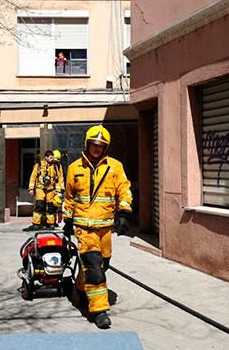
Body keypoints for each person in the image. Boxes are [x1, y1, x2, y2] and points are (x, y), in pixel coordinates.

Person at [63, 125, 132, 329]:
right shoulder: (74, 168)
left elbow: (124, 190)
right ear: (87, 144)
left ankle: (81, 288)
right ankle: (99, 311)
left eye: (101, 146)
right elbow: (70, 198)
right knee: (94, 269)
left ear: (106, 148)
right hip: (83, 228)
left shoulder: (115, 167)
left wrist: (124, 213)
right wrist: (67, 221)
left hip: (105, 228)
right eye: (93, 145)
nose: (96, 149)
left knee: (103, 265)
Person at [23, 150, 63, 231]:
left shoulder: (56, 167)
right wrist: (31, 188)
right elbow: (33, 177)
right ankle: (36, 223)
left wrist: (59, 191)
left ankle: (50, 223)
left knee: (51, 207)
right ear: (46, 157)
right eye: (51, 158)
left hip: (51, 190)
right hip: (40, 188)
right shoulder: (39, 166)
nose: (52, 159)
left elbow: (59, 179)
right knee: (39, 205)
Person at [51, 149, 65, 224]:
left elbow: (61, 177)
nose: (57, 161)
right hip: (51, 190)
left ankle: (59, 221)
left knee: (58, 206)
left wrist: (62, 189)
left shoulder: (59, 166)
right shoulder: (49, 166)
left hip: (58, 190)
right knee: (51, 207)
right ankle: (52, 221)